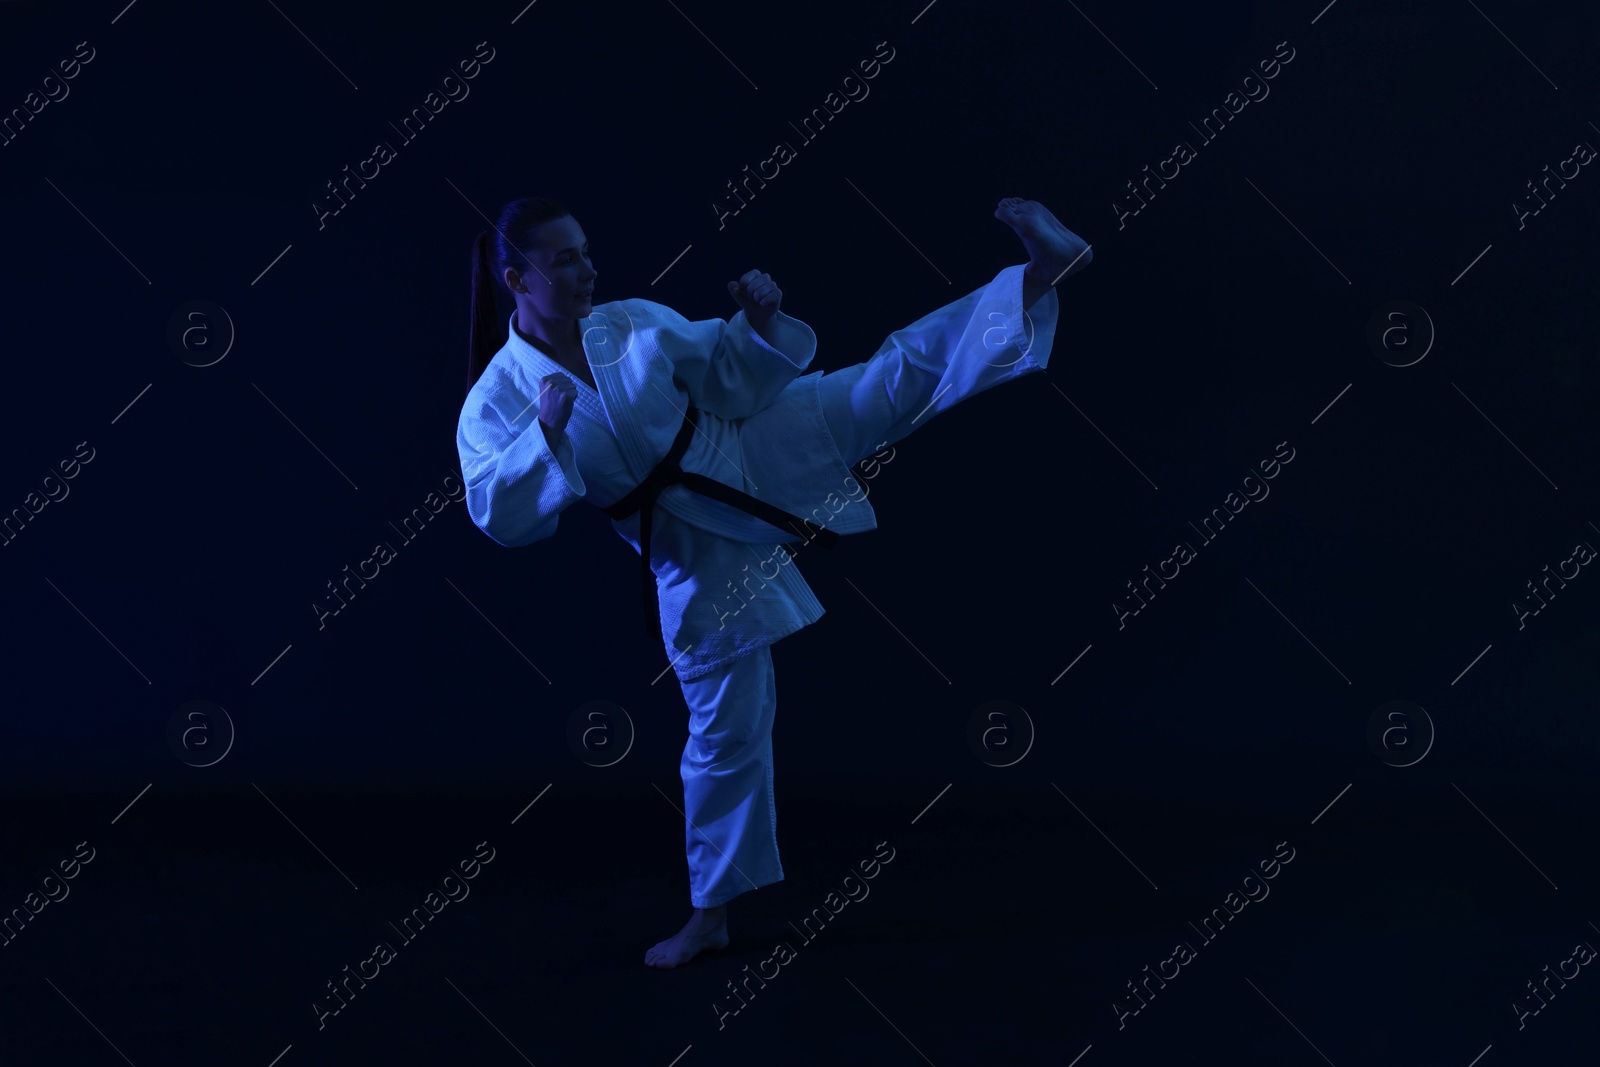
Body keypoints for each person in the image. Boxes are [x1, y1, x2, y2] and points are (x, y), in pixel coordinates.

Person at [456, 195, 1091, 968]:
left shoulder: (630, 322)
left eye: (586, 251)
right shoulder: (498, 398)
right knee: (726, 732)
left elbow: (729, 384)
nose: (589, 268)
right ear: (517, 279)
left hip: (748, 443)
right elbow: (500, 515)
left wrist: (755, 328)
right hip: (687, 547)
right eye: (565, 259)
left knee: (892, 377)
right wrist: (545, 434)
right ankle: (711, 915)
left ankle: (1035, 275)